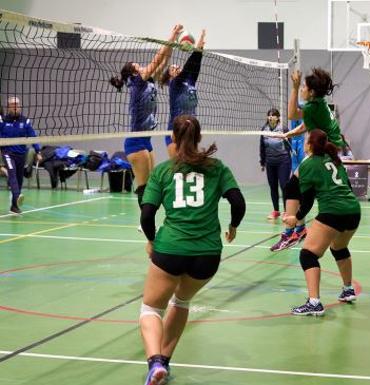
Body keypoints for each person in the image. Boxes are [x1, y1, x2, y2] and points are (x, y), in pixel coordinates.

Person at [138, 115, 246, 385]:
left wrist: (151, 240)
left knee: (150, 309)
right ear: (198, 138)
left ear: (172, 138)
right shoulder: (217, 168)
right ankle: (164, 362)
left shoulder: (163, 171)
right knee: (181, 301)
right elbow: (238, 201)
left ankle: (154, 362)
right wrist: (233, 226)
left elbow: (147, 214)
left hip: (170, 249)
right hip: (207, 255)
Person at [284, 129, 360, 316]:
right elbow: (348, 187)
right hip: (353, 211)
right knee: (339, 248)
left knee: (308, 255)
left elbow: (307, 200)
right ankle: (348, 289)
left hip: (332, 212)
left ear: (309, 144)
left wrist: (296, 217)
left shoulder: (309, 164)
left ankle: (314, 302)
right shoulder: (333, 159)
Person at [110, 24, 183, 217]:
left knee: (152, 185)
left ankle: (147, 220)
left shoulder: (148, 81)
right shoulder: (137, 82)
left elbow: (164, 61)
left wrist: (173, 42)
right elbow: (157, 58)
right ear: (134, 73)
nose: (142, 67)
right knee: (144, 187)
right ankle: (144, 222)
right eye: (137, 66)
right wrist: (172, 35)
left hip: (146, 141)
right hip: (135, 143)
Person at [271, 68, 345, 251]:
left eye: (304, 86)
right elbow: (307, 124)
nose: (302, 88)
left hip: (325, 151)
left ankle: (292, 232)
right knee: (297, 189)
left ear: (311, 91)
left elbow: (291, 114)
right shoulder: (319, 103)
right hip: (330, 149)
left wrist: (294, 87)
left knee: (292, 188)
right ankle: (297, 230)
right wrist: (291, 132)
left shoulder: (313, 106)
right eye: (301, 85)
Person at [160, 29, 206, 159]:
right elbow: (188, 67)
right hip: (176, 131)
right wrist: (196, 50)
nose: (177, 69)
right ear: (170, 75)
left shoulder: (190, 81)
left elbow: (195, 66)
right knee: (178, 168)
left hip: (190, 130)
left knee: (190, 167)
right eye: (173, 68)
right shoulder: (175, 84)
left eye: (177, 67)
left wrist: (200, 49)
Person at [0, 96, 42, 214]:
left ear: (20, 107)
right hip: (7, 153)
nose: (15, 107)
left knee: (19, 180)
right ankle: (18, 195)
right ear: (8, 107)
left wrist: (38, 151)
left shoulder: (25, 121)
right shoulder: (2, 120)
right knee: (11, 173)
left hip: (21, 154)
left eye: (17, 105)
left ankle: (14, 206)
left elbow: (33, 137)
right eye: (12, 105)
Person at [259, 108, 291, 220]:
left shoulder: (283, 128)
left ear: (278, 117)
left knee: (284, 186)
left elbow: (289, 145)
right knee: (273, 187)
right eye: (269, 115)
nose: (270, 117)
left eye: (273, 115)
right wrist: (262, 162)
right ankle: (276, 211)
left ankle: (287, 211)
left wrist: (289, 160)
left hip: (283, 161)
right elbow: (262, 146)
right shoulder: (264, 129)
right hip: (270, 162)